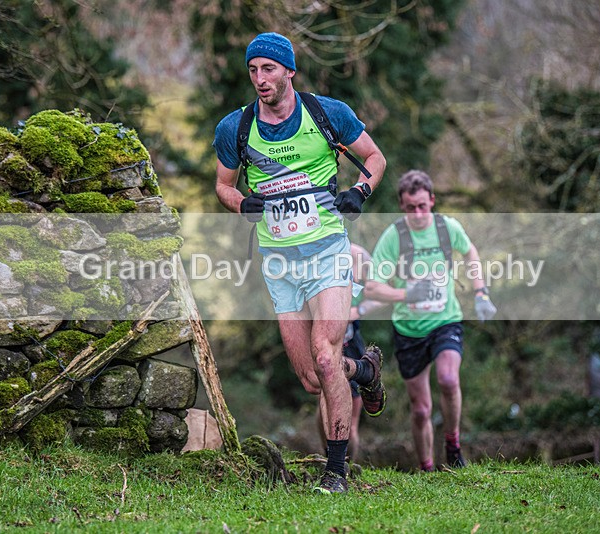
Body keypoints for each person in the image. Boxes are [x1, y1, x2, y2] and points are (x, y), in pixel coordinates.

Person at [213, 32, 387, 494]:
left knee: (327, 357)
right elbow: (224, 186)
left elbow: (375, 158)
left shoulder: (327, 114)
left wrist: (360, 192)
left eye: (268, 69)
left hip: (329, 250)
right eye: (253, 70)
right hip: (279, 263)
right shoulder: (236, 127)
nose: (259, 79)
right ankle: (365, 371)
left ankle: (336, 474)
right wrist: (242, 205)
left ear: (289, 70)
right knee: (312, 377)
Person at [365, 170, 497, 471]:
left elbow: (470, 252)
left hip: (445, 320)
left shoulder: (446, 228)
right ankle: (426, 467)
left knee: (449, 379)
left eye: (423, 206)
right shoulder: (394, 236)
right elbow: (373, 286)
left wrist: (481, 292)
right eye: (411, 207)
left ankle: (453, 444)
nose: (418, 213)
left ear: (432, 201)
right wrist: (406, 294)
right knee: (421, 410)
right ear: (402, 205)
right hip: (409, 329)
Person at [315, 243, 386, 464]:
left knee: (350, 418)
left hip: (351, 345)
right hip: (325, 344)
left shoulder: (356, 252)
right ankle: (332, 460)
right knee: (322, 406)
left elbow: (381, 292)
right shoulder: (322, 250)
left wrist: (358, 310)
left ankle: (348, 467)